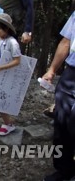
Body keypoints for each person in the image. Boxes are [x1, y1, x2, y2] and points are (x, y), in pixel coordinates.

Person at [41, 11, 75, 181]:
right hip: (71, 75)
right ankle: (64, 170)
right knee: (62, 124)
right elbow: (66, 42)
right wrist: (52, 70)